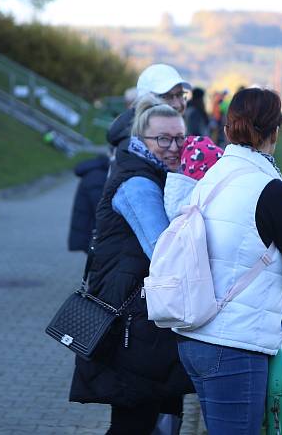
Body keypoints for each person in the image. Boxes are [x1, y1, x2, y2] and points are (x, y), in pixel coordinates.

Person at [174, 87, 282, 435]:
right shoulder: (269, 187)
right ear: (275, 131)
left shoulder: (215, 175)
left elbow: (247, 236)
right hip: (233, 345)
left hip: (194, 338)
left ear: (228, 128)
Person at [69, 95, 194, 435]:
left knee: (146, 419)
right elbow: (165, 253)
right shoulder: (138, 183)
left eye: (181, 138)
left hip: (138, 320)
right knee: (133, 423)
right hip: (128, 325)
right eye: (163, 139)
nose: (174, 147)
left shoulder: (151, 172)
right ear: (140, 140)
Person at [106, 64, 191, 152]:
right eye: (166, 96)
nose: (177, 104)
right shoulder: (135, 151)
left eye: (180, 94)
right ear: (144, 103)